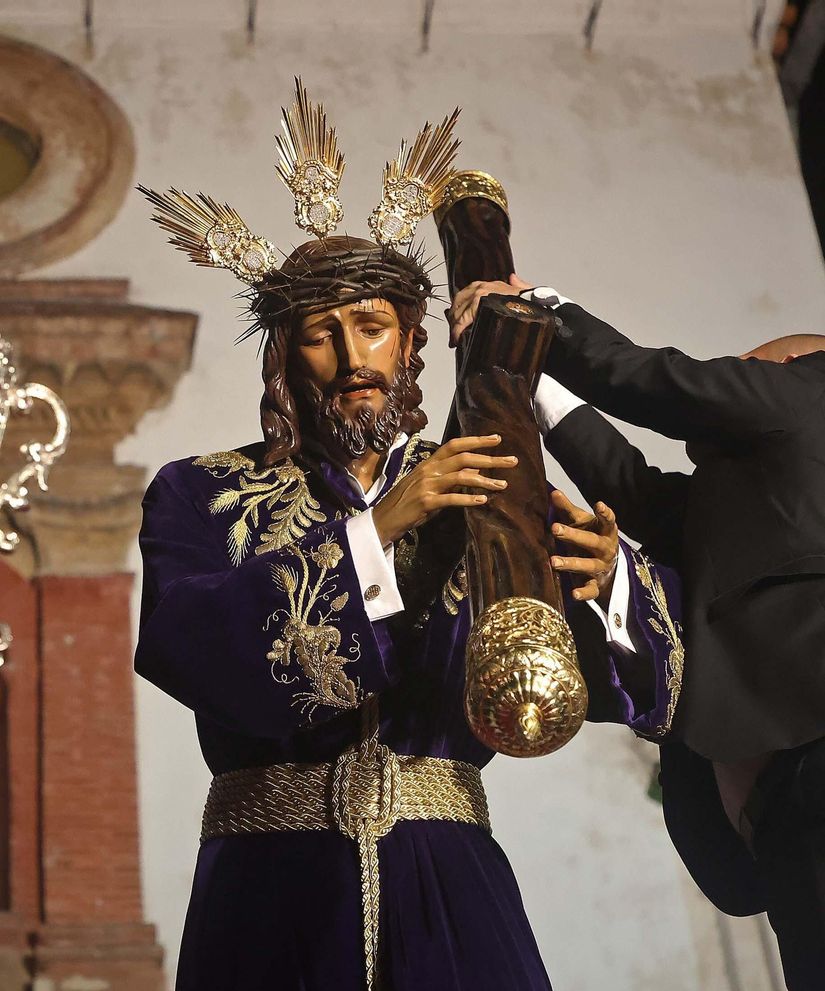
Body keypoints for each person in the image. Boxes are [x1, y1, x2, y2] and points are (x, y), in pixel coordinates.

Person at [133, 81, 686, 991]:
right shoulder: (204, 494)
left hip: (450, 884)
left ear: (409, 344)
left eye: (372, 327)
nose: (352, 358)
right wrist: (381, 525)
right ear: (285, 356)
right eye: (320, 333)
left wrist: (611, 579)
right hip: (268, 895)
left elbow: (647, 689)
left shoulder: (491, 484)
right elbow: (190, 645)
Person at [450, 276, 825, 990]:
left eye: (743, 367)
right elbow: (632, 486)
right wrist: (529, 379)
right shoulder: (749, 505)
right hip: (792, 818)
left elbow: (664, 382)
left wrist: (541, 311)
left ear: (785, 369)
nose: (727, 376)